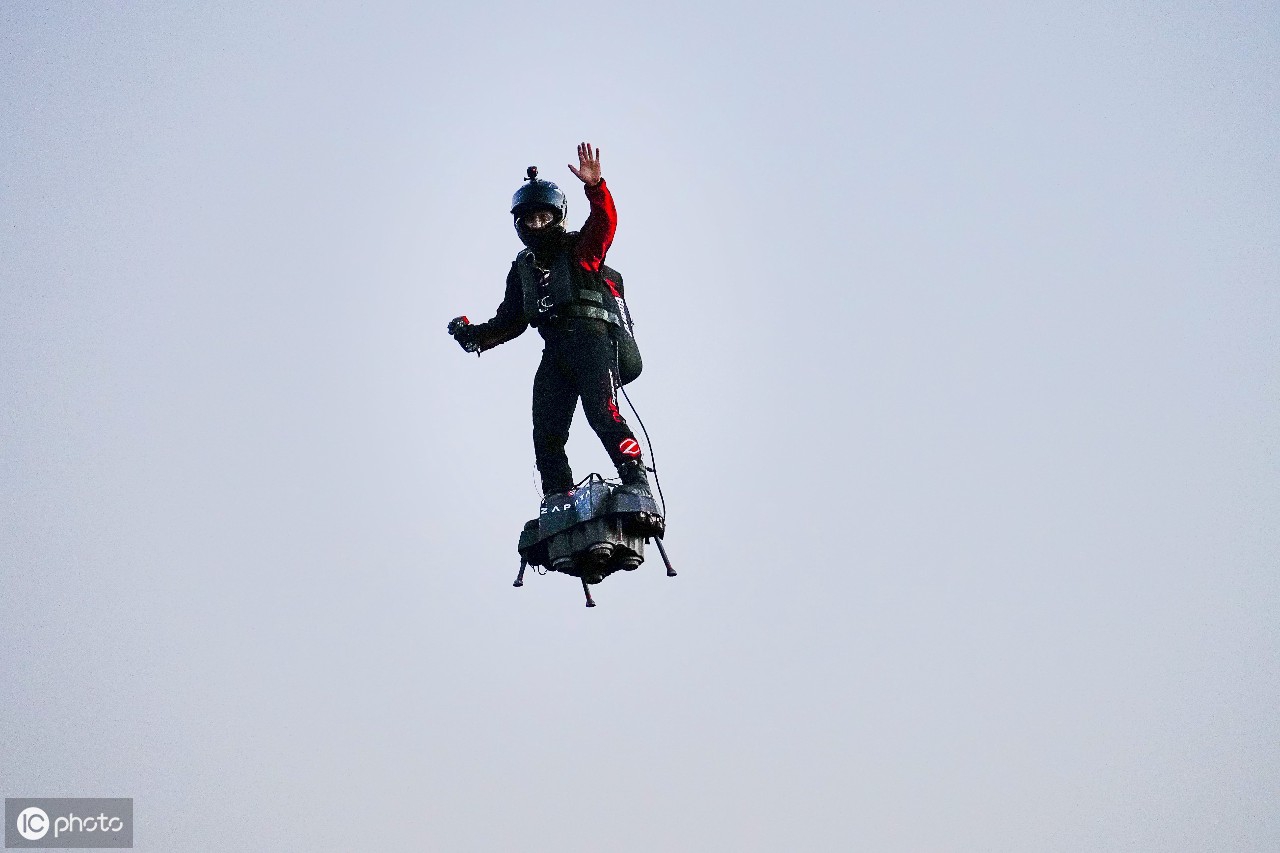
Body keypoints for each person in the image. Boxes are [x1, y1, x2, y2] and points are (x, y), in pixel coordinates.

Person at [448, 142, 650, 498]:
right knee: (546, 432)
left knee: (602, 414)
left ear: (557, 218)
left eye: (543, 218)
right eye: (529, 219)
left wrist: (595, 187)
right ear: (519, 223)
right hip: (555, 351)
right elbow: (510, 321)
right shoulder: (523, 267)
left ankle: (635, 480)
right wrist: (473, 336)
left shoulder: (580, 249)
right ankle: (558, 497)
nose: (537, 225)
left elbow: (605, 225)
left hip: (592, 341)